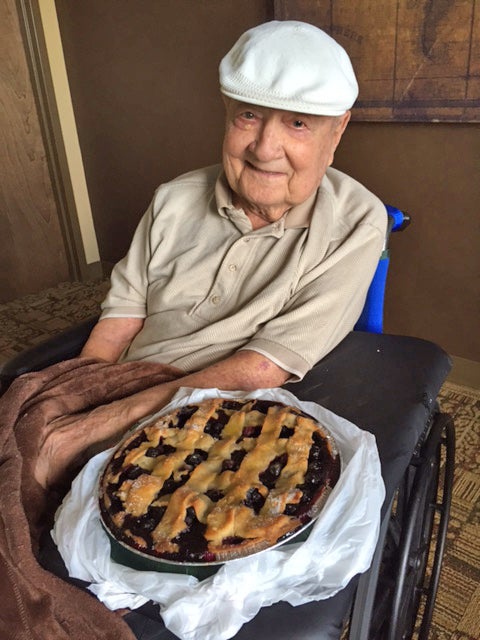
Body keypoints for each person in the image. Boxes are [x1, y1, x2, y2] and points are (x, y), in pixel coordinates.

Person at [51, 20, 386, 461]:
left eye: (298, 124)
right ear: (227, 113)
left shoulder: (357, 222)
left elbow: (264, 367)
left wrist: (102, 426)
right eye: (249, 115)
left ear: (337, 131)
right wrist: (81, 395)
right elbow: (122, 318)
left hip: (218, 412)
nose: (265, 148)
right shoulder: (173, 199)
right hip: (128, 380)